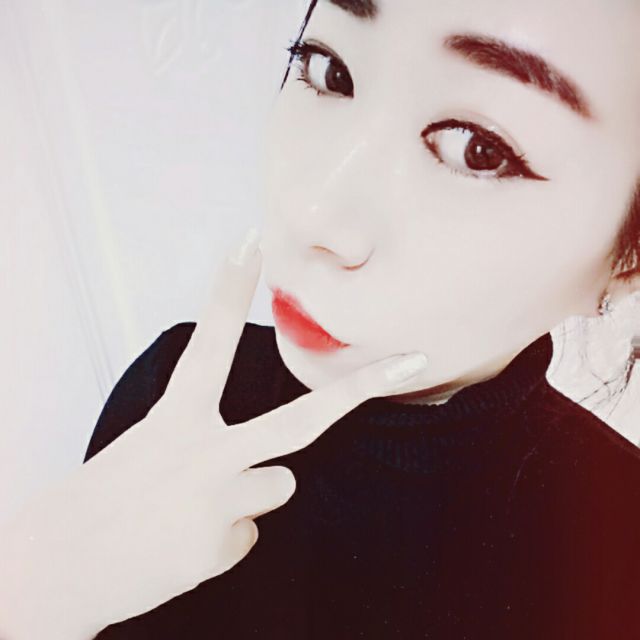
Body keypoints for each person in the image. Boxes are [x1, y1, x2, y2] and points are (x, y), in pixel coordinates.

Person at [2, 0, 640, 637]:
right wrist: (37, 592)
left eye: (477, 150)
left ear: (625, 262)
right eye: (329, 70)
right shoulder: (177, 400)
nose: (310, 215)